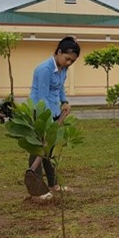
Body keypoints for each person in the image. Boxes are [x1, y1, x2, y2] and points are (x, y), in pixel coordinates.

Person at [25, 36, 80, 198]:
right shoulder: (44, 69)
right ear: (59, 52)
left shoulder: (63, 69)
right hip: (39, 112)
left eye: (72, 61)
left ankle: (53, 184)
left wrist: (64, 101)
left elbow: (60, 87)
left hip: (54, 111)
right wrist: (49, 123)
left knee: (48, 150)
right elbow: (42, 99)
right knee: (38, 149)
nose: (69, 63)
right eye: (67, 59)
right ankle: (36, 190)